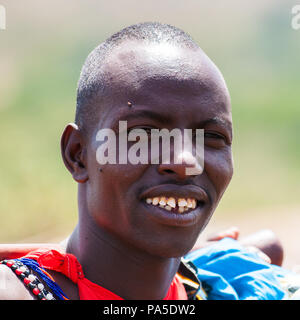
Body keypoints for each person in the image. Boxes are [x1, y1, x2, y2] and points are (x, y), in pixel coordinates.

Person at [0, 22, 299, 300]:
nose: (184, 161)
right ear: (77, 154)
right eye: (143, 133)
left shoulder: (231, 285)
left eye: (212, 136)